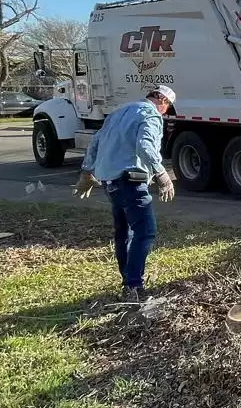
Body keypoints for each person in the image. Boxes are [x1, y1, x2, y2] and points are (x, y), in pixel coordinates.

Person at [74, 86, 177, 302]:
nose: (165, 113)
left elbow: (95, 141)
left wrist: (86, 172)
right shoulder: (150, 115)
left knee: (124, 233)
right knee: (145, 232)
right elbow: (145, 146)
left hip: (110, 182)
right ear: (162, 100)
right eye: (166, 108)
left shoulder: (118, 112)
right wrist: (162, 175)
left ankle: (128, 281)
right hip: (132, 182)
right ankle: (134, 286)